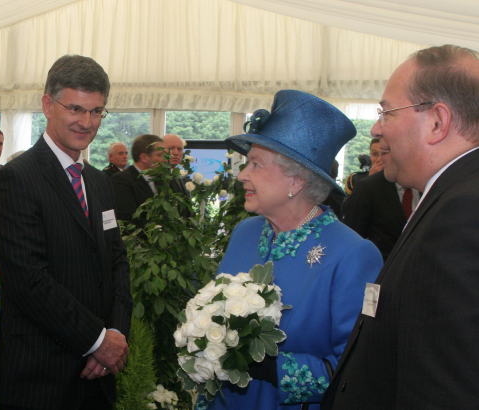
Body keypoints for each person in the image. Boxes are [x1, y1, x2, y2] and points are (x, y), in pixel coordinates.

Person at [198, 90, 382, 410]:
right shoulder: (245, 233)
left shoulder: (353, 256)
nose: (242, 175)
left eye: (255, 164)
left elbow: (357, 370)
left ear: (294, 181)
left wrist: (271, 367)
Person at [322, 45, 479, 410]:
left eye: (386, 112)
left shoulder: (463, 212)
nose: (377, 128)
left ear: (437, 122)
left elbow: (444, 386)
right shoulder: (452, 195)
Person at [0, 54, 132, 410]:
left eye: (97, 111)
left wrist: (115, 334)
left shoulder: (98, 182)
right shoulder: (17, 179)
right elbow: (29, 281)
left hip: (97, 379)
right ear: (47, 105)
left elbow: (117, 263)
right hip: (41, 379)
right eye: (76, 109)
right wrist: (98, 341)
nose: (87, 122)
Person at [341, 138, 419, 261]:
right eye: (375, 154)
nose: (380, 159)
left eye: (385, 153)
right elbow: (351, 234)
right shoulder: (367, 186)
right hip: (380, 270)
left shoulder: (423, 185)